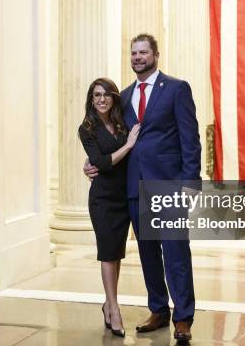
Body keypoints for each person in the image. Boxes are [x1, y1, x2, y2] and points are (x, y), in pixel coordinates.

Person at [84, 33, 201, 342]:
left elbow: (191, 139)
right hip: (134, 187)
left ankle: (184, 316)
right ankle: (158, 310)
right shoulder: (122, 97)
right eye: (133, 53)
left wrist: (191, 183)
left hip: (169, 185)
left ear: (156, 55)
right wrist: (91, 162)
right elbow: (110, 138)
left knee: (176, 252)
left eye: (143, 52)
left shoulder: (176, 89)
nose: (137, 57)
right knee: (148, 253)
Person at [78, 78, 141, 338]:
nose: (101, 99)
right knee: (106, 253)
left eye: (105, 95)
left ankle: (108, 304)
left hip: (123, 196)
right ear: (91, 100)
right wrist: (128, 145)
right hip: (103, 199)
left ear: (114, 98)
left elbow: (108, 160)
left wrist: (97, 160)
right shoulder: (86, 128)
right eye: (96, 96)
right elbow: (102, 164)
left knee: (116, 253)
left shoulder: (121, 121)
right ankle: (114, 308)